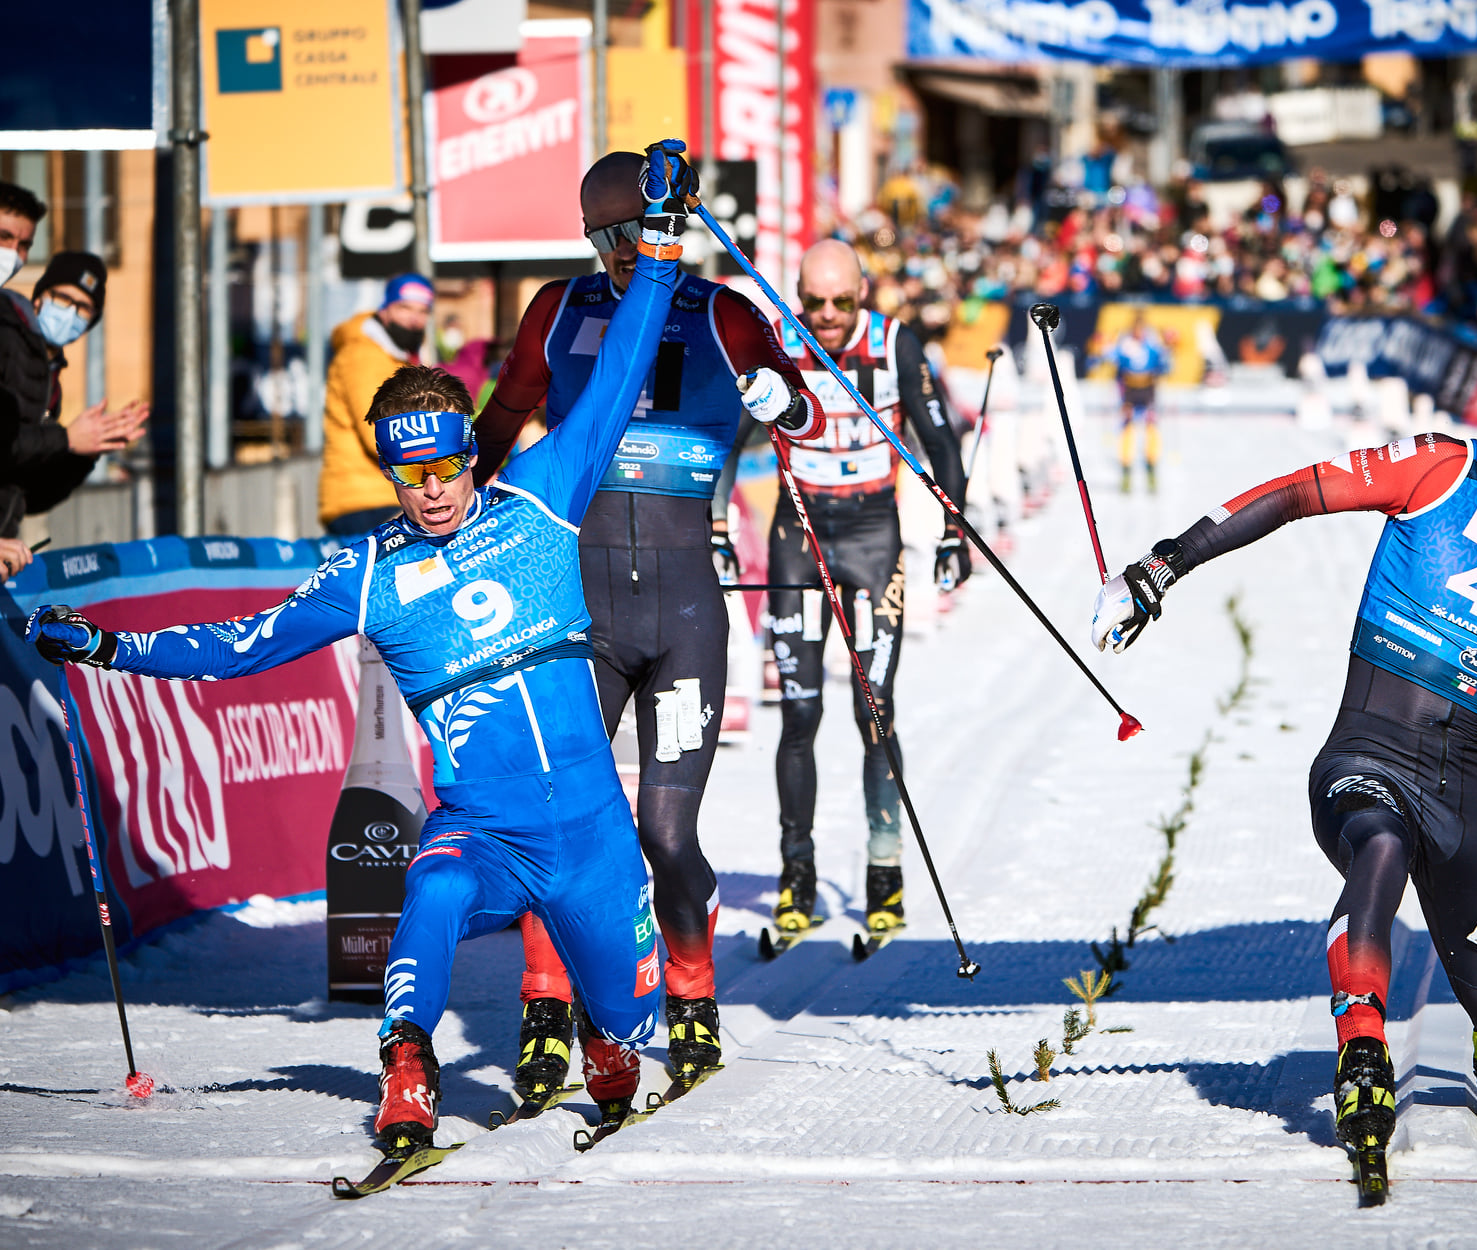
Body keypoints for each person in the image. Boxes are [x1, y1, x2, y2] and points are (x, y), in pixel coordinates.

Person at [26, 142, 710, 1159]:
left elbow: (620, 364)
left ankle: (605, 1038)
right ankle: (407, 1064)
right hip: (484, 828)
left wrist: (658, 240)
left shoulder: (543, 495)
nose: (431, 490)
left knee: (629, 1013)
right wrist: (104, 645)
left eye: (444, 467)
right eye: (410, 476)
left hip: (593, 839)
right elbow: (233, 648)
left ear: (466, 456)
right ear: (389, 476)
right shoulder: (370, 571)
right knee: (428, 889)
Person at [1090, 347, 1477, 1168]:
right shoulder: (1440, 468)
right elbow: (1294, 492)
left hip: (1469, 779)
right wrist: (1161, 565)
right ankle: (1361, 1044)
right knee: (1379, 841)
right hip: (1368, 742)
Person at [472, 150, 825, 1101]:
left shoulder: (719, 308)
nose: (624, 253)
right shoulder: (559, 307)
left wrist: (780, 399)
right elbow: (502, 415)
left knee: (665, 833)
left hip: (680, 613)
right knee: (558, 819)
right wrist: (446, 499)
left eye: (636, 232)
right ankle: (547, 1007)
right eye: (607, 238)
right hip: (573, 607)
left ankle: (692, 993)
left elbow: (811, 418)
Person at [758, 238, 971, 939]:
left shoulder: (895, 343)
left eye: (840, 302)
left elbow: (943, 447)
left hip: (873, 536)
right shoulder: (775, 343)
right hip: (797, 535)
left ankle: (884, 871)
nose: (824, 316)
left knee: (873, 712)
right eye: (812, 302)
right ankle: (797, 875)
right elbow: (724, 441)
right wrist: (715, 523)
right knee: (798, 713)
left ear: (862, 293)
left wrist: (953, 531)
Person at [0, 242, 148, 539]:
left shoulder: (50, 380)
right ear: (40, 298)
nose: (71, 313)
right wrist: (67, 438)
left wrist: (86, 451)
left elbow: (29, 495)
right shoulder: (7, 344)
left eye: (83, 309)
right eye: (64, 298)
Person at [319, 272, 436, 536]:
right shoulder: (364, 355)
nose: (414, 319)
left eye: (423, 311)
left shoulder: (395, 359)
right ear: (384, 311)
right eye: (404, 308)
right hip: (362, 500)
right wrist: (438, 456)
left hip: (389, 494)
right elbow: (377, 432)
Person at [1095, 308, 1168, 493]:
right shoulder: (1125, 343)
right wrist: (1104, 351)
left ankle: (1151, 468)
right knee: (1127, 428)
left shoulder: (1152, 344)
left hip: (1147, 389)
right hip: (1129, 390)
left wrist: (1167, 355)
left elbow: (1163, 364)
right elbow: (1109, 357)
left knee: (1151, 427)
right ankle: (1126, 470)